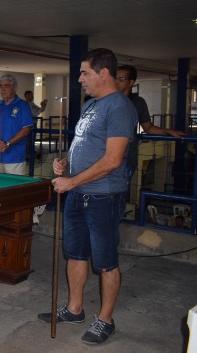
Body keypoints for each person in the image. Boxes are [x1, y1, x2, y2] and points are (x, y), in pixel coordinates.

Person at [38, 48, 138, 345]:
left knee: (105, 261)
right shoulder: (90, 105)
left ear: (103, 74)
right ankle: (74, 309)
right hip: (77, 192)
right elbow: (82, 142)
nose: (80, 79)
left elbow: (113, 160)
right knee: (75, 253)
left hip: (103, 196)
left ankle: (105, 320)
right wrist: (65, 163)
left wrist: (71, 181)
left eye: (85, 73)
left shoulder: (119, 108)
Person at [116, 65, 186, 138]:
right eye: (115, 79)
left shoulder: (138, 102)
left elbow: (148, 128)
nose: (116, 82)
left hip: (128, 145)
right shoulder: (109, 100)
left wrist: (168, 131)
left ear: (131, 82)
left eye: (121, 79)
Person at [0, 74, 33, 175]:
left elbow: (26, 129)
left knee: (15, 185)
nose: (3, 89)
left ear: (15, 88)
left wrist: (7, 144)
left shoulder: (23, 105)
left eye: (6, 86)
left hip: (15, 158)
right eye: (1, 86)